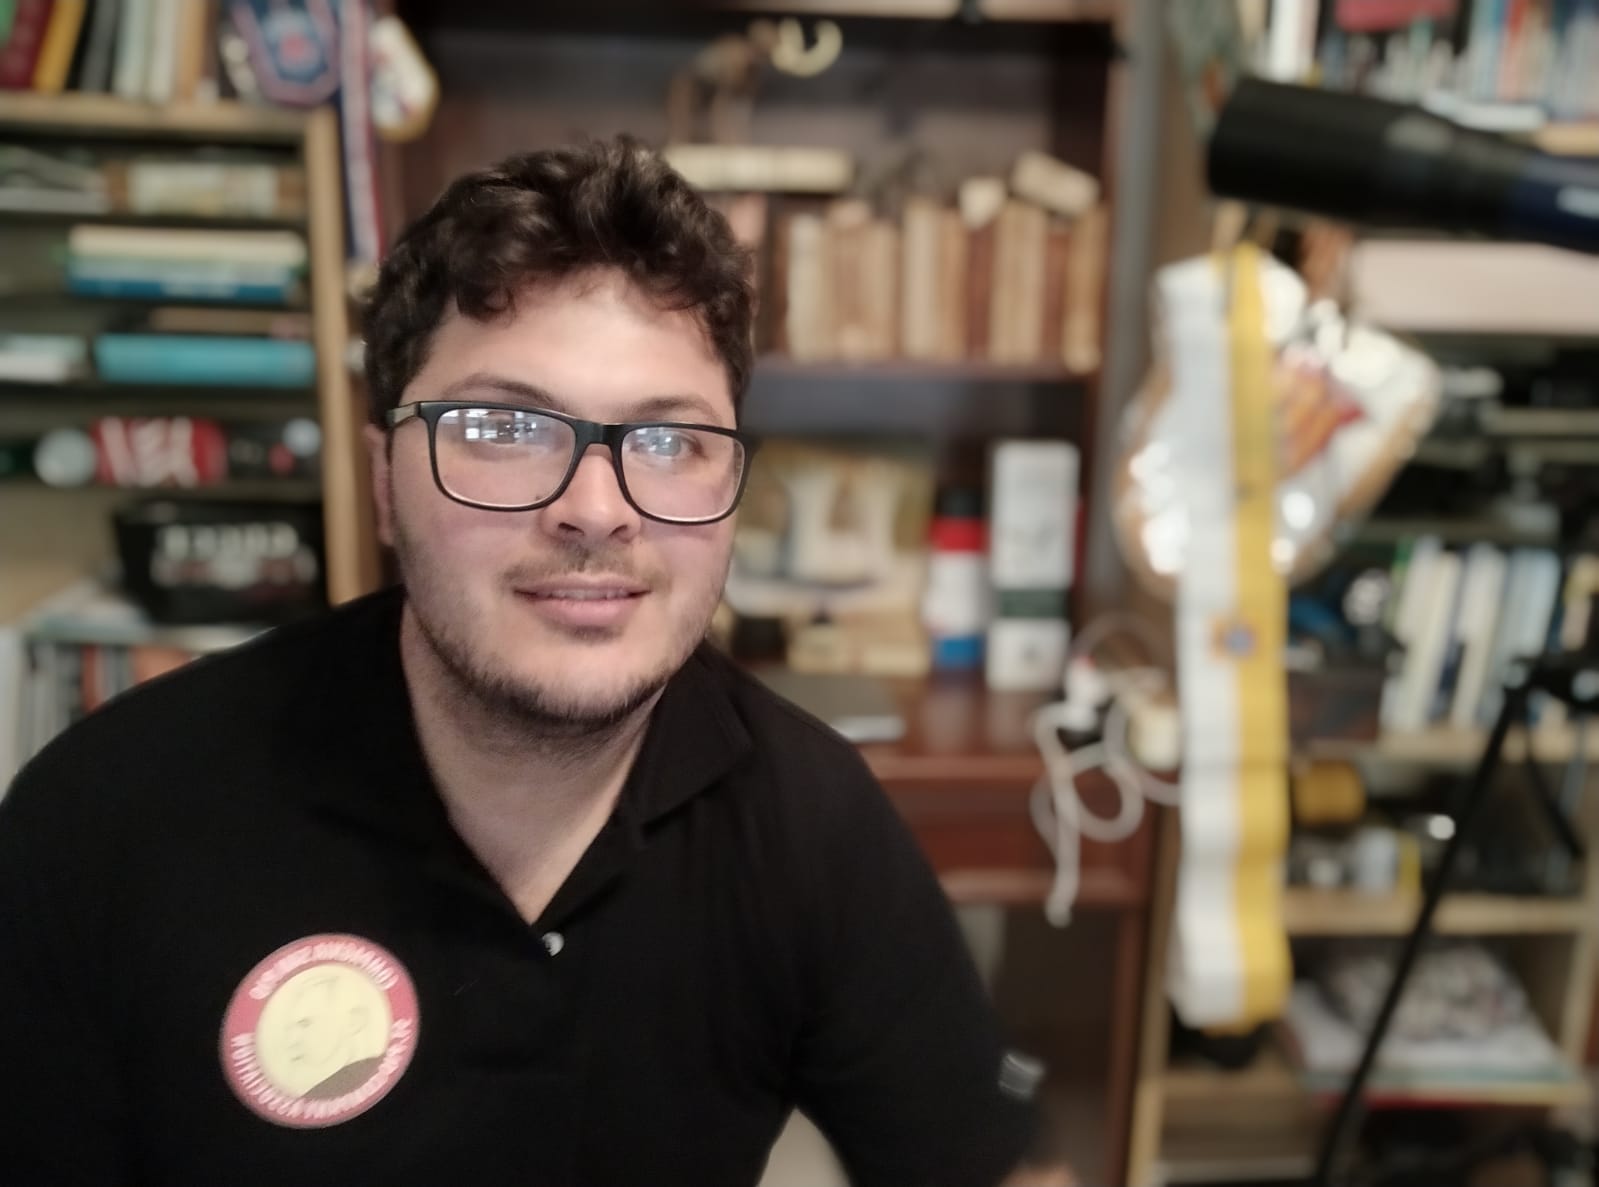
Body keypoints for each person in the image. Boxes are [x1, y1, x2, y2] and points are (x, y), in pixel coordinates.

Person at [0, 136, 1039, 1186]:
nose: (596, 509)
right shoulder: (104, 824)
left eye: (670, 442)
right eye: (502, 426)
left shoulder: (809, 820)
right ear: (383, 482)